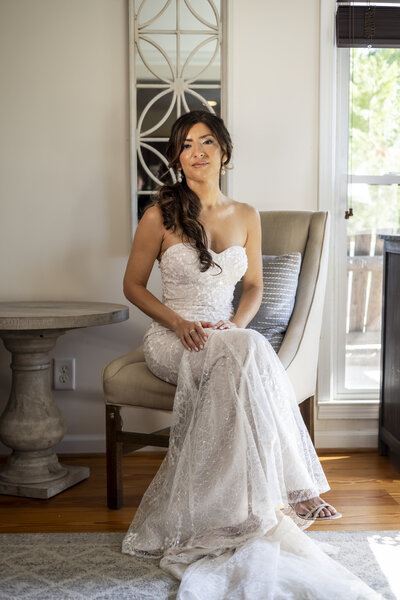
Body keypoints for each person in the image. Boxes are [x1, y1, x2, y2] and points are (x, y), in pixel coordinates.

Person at [122, 111, 380, 599]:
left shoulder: (247, 215)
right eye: (185, 145)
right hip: (173, 337)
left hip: (227, 333)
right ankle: (292, 492)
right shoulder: (159, 215)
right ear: (177, 158)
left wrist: (235, 324)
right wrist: (179, 323)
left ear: (224, 149)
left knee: (244, 346)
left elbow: (256, 286)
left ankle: (236, 508)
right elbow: (132, 286)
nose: (196, 152)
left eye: (205, 142)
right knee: (248, 352)